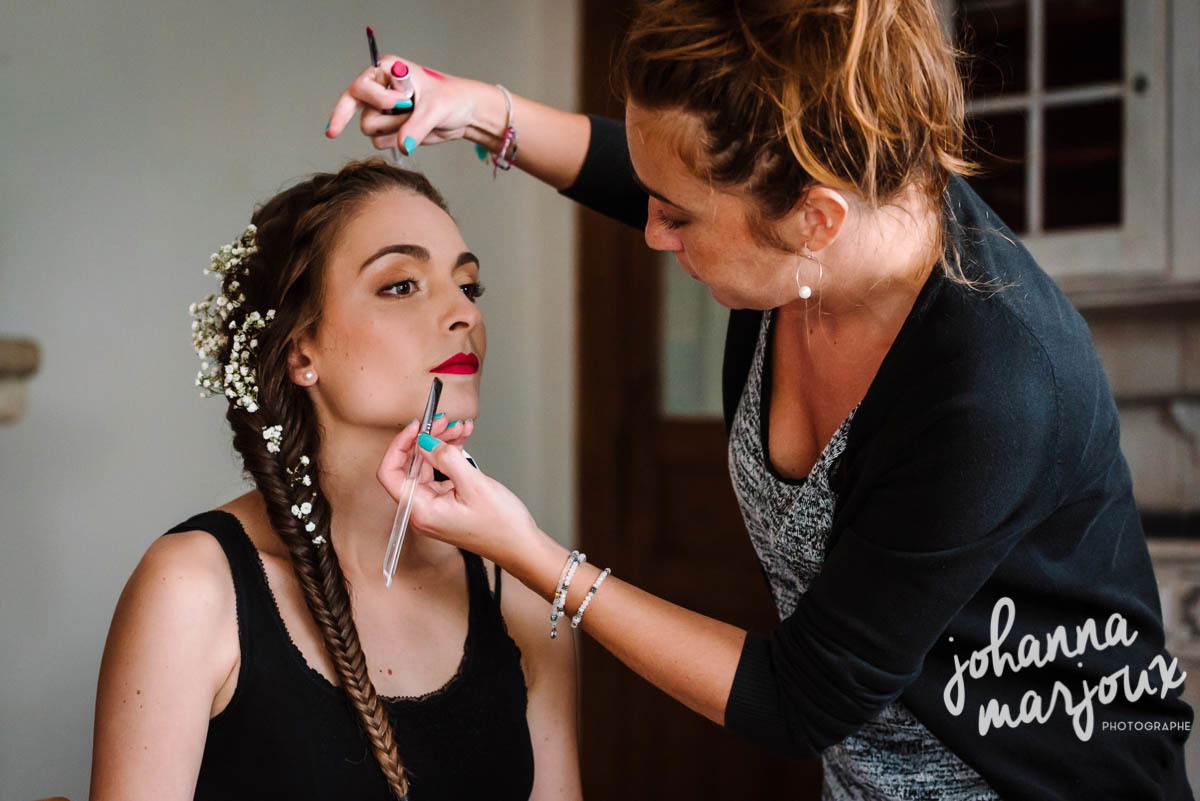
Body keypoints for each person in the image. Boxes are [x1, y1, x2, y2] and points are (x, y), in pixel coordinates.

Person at [327, 1, 1196, 799]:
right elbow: (666, 177)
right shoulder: (813, 228)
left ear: (814, 220)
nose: (655, 234)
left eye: (679, 219)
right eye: (655, 203)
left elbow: (799, 699)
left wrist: (531, 553)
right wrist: (477, 108)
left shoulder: (993, 386)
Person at [88, 160, 583, 801]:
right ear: (301, 352)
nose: (463, 312)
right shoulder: (193, 590)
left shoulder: (520, 592)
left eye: (469, 285)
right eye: (401, 285)